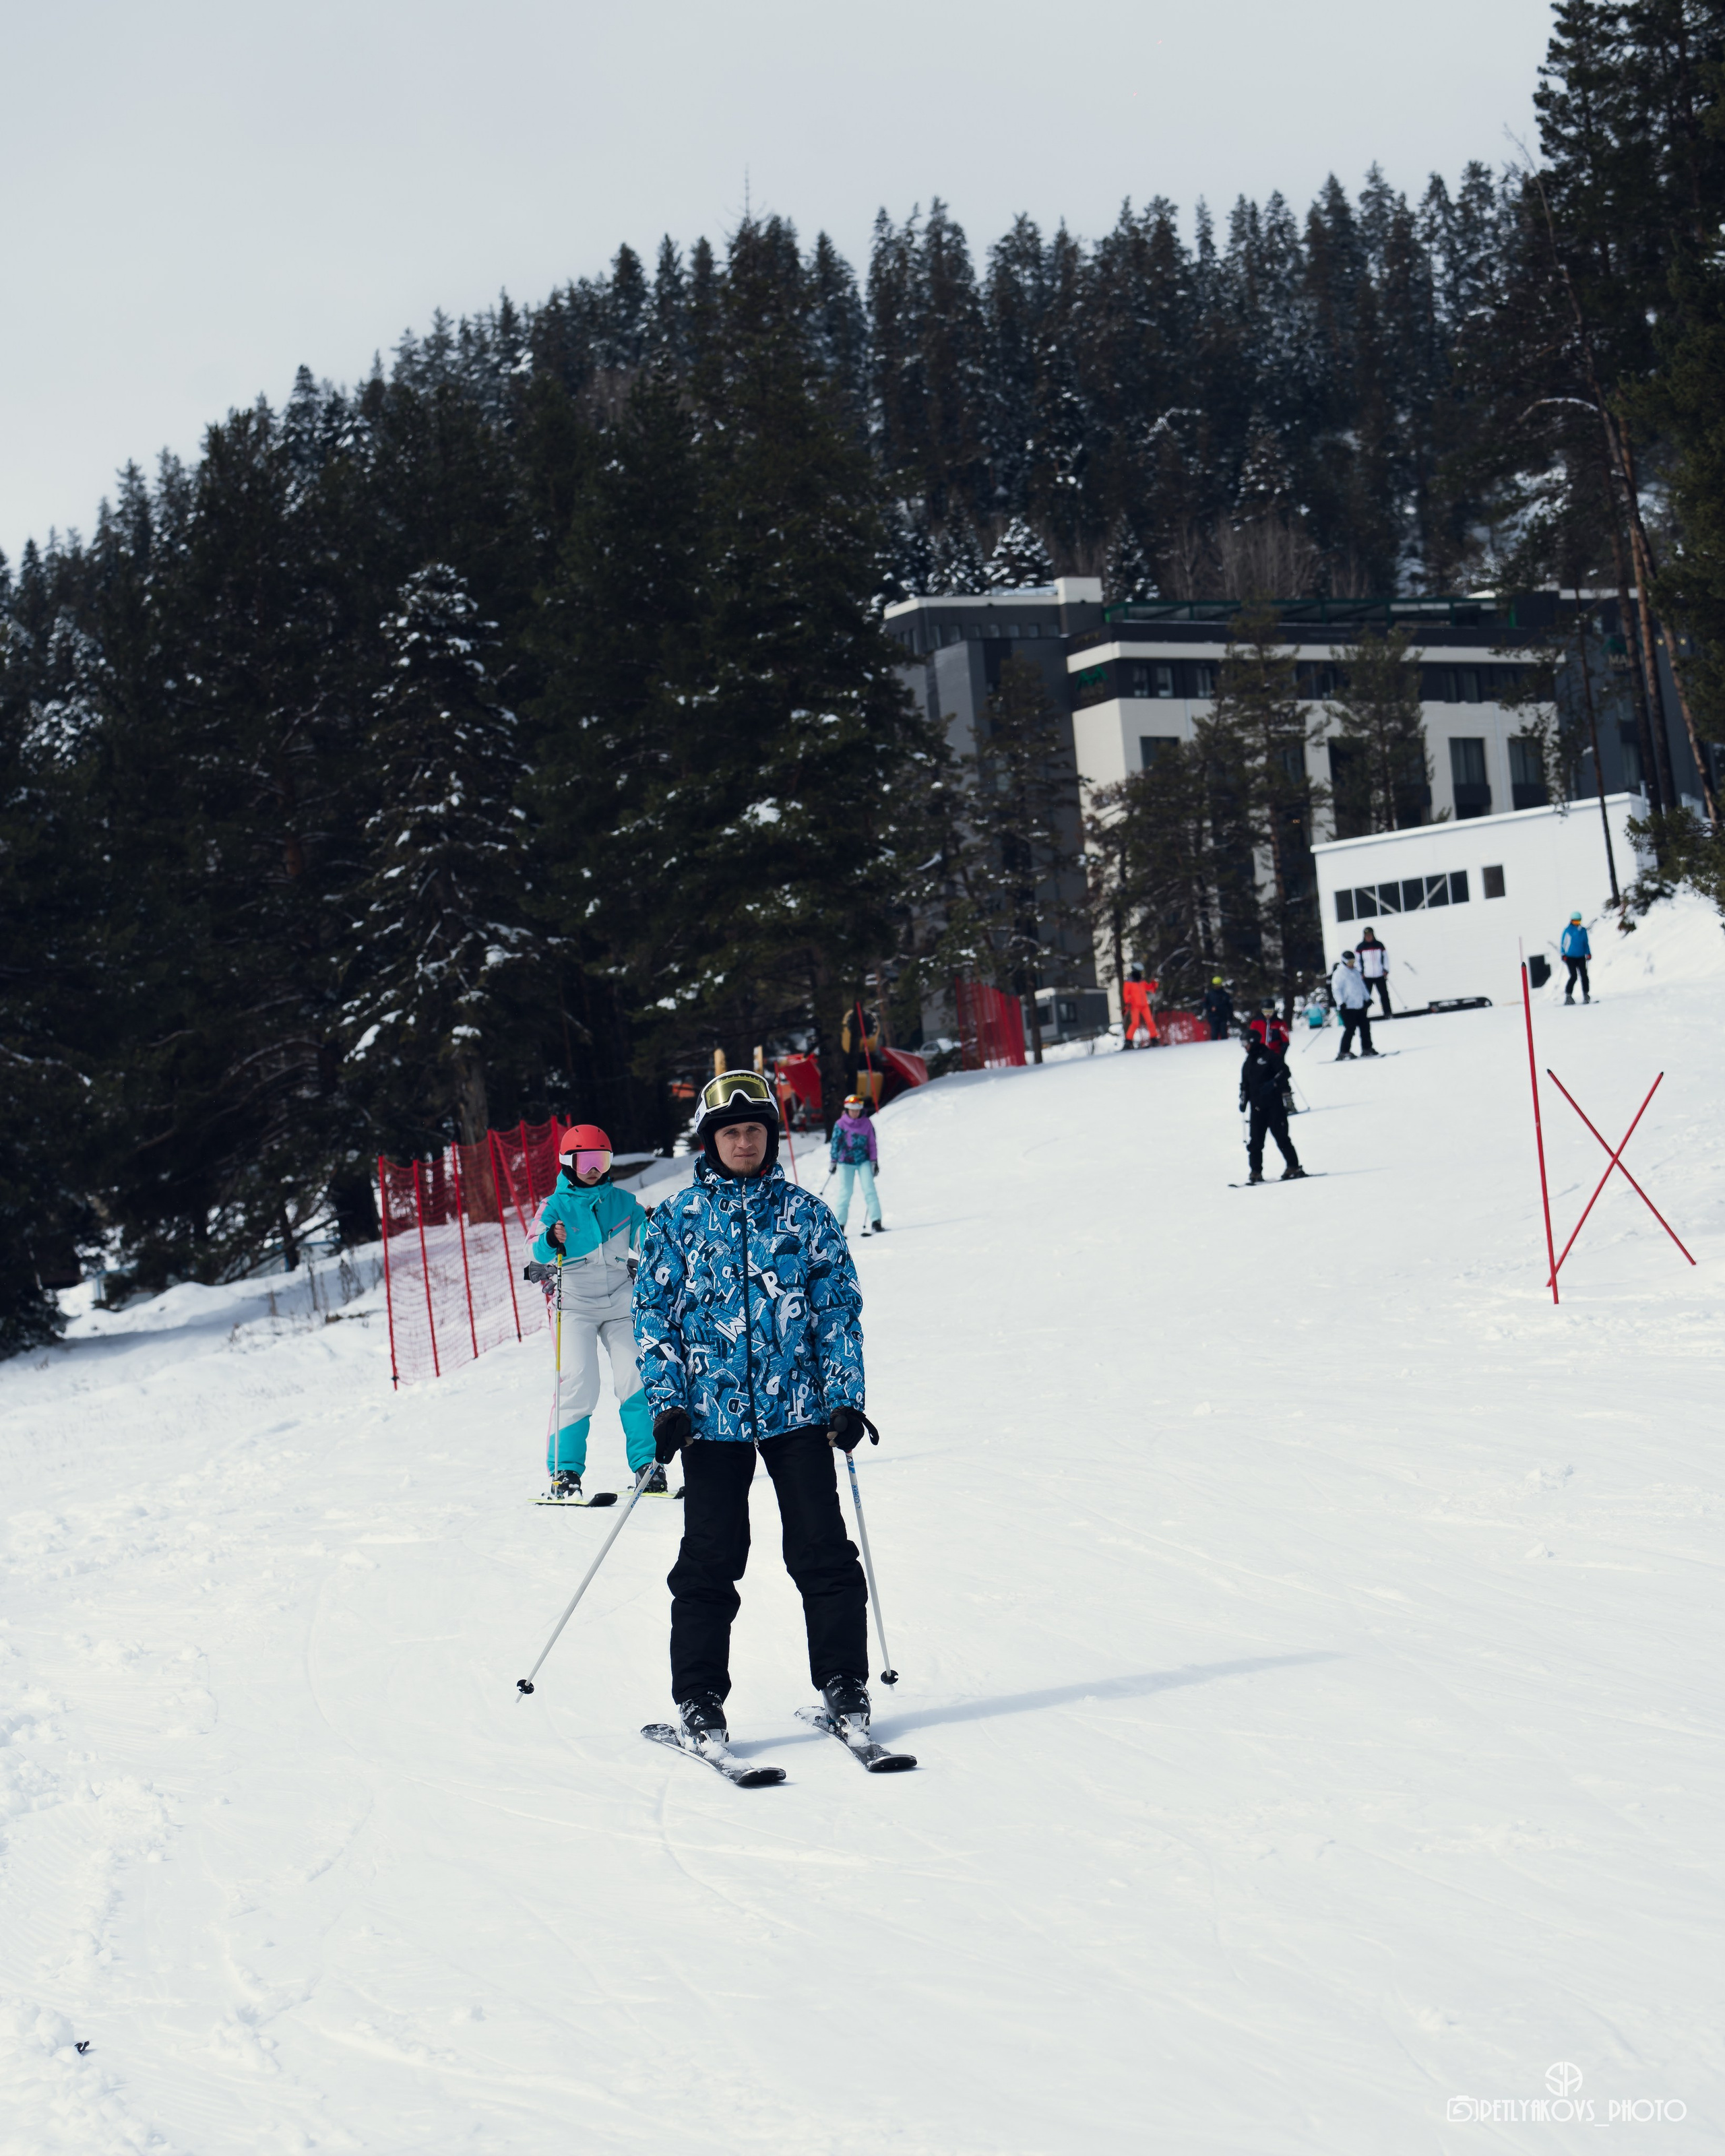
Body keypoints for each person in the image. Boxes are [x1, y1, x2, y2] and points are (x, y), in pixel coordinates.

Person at [633, 1069, 875, 1754]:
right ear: (711, 1140)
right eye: (731, 1131)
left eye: (754, 1129)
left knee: (823, 1548)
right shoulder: (676, 1219)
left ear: (770, 1135)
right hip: (709, 1417)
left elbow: (836, 1314)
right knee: (709, 1558)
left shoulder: (806, 1214)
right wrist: (668, 1401)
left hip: (797, 1409)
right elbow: (653, 1314)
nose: (744, 1141)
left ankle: (844, 1682)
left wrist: (844, 1397)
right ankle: (699, 1697)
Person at [532, 1125, 657, 1500]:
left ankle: (648, 1466)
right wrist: (549, 1241)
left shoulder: (623, 1202)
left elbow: (648, 1242)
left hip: (620, 1301)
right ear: (568, 1163)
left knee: (636, 1378)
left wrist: (654, 1227)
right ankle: (565, 1472)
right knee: (579, 1382)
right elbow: (533, 1252)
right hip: (574, 1304)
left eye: (601, 1161)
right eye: (585, 1161)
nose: (593, 1170)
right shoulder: (554, 1206)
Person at [1239, 1029, 1306, 1184]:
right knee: (1255, 1142)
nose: (1244, 1047)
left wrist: (1273, 1083)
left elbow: (1285, 1071)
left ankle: (1293, 1167)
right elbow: (1245, 1084)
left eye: (1245, 1043)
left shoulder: (1269, 1056)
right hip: (1257, 1108)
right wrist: (1243, 1100)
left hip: (1274, 1106)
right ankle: (1255, 1172)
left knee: (1282, 1137)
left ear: (1253, 1042)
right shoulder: (1248, 1062)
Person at [828, 1093, 885, 1234]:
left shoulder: (867, 1123)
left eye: (857, 1110)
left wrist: (874, 1161)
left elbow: (872, 1143)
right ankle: (840, 1225)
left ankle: (876, 1221)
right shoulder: (840, 1124)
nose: (855, 1113)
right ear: (847, 1110)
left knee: (869, 1189)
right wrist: (833, 1161)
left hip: (863, 1161)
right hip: (845, 1162)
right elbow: (836, 1143)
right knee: (845, 1192)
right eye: (852, 1110)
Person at [1330, 949, 1377, 1060]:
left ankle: (1367, 1048)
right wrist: (1341, 1002)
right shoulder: (1339, 974)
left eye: (1353, 961)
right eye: (1350, 961)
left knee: (1365, 1027)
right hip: (1347, 1007)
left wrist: (1367, 998)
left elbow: (1362, 987)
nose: (1352, 963)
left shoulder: (1356, 972)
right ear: (1344, 961)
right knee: (1350, 1029)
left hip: (1359, 1005)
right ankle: (1344, 1051)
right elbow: (1336, 990)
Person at [1356, 926, 1392, 1017]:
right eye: (1367, 935)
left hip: (1379, 975)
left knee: (1384, 995)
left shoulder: (1379, 945)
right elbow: (1358, 961)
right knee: (1366, 997)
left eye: (1370, 935)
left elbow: (1386, 958)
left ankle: (1388, 1013)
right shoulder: (1360, 947)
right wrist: (1361, 973)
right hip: (1367, 976)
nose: (1369, 937)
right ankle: (1363, 1015)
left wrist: (1386, 969)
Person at [1121, 967, 1158, 1048]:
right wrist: (1128, 1002)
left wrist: (1154, 982)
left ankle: (1154, 1038)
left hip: (1144, 1005)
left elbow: (1150, 988)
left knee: (1150, 1022)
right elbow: (1126, 994)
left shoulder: (1142, 981)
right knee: (1135, 1023)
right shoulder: (1129, 982)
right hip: (1135, 1006)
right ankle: (1128, 1041)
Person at [1561, 913, 1592, 1003]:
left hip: (1581, 956)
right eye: (1575, 921)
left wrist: (1588, 953)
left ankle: (1586, 994)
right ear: (1571, 921)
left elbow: (1586, 943)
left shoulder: (1582, 930)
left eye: (1578, 921)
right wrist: (1563, 954)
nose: (1576, 923)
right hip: (1570, 957)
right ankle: (1568, 995)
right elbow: (1563, 943)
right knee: (1574, 976)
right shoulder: (1568, 930)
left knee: (1584, 976)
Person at [1200, 977, 1234, 1042]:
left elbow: (1230, 1006)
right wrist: (1211, 1008)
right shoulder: (1209, 994)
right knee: (1214, 1034)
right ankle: (1214, 1049)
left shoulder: (1225, 995)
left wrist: (1230, 1017)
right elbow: (1204, 1004)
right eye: (1216, 985)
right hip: (1213, 1017)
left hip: (1223, 1017)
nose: (1217, 986)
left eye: (1218, 985)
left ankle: (1225, 1048)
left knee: (1224, 1034)